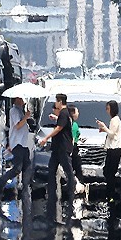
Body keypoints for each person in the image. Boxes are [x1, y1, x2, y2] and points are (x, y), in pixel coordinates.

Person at [39, 93, 75, 223]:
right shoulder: (63, 114)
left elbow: (59, 128)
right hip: (57, 147)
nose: (56, 104)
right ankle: (51, 190)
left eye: (56, 102)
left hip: (63, 147)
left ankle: (72, 188)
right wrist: (55, 118)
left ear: (60, 102)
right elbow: (61, 123)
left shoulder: (64, 113)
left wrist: (46, 138)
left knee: (67, 168)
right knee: (52, 168)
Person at [0, 97, 33, 204]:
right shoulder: (14, 111)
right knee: (17, 169)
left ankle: (26, 191)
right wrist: (26, 117)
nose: (24, 100)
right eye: (22, 98)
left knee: (27, 167)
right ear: (17, 99)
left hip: (23, 144)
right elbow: (18, 125)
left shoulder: (20, 110)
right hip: (18, 144)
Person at [96, 100, 121, 203]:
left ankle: (111, 194)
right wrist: (104, 129)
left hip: (114, 148)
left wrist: (104, 127)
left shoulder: (114, 120)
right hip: (112, 148)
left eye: (108, 108)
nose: (107, 111)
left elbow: (112, 134)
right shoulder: (114, 120)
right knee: (108, 171)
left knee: (109, 172)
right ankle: (110, 192)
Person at [67, 104, 85, 194]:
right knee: (77, 167)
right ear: (72, 113)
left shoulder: (71, 124)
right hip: (72, 148)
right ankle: (79, 186)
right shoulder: (73, 125)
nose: (78, 114)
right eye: (77, 112)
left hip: (72, 147)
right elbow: (73, 138)